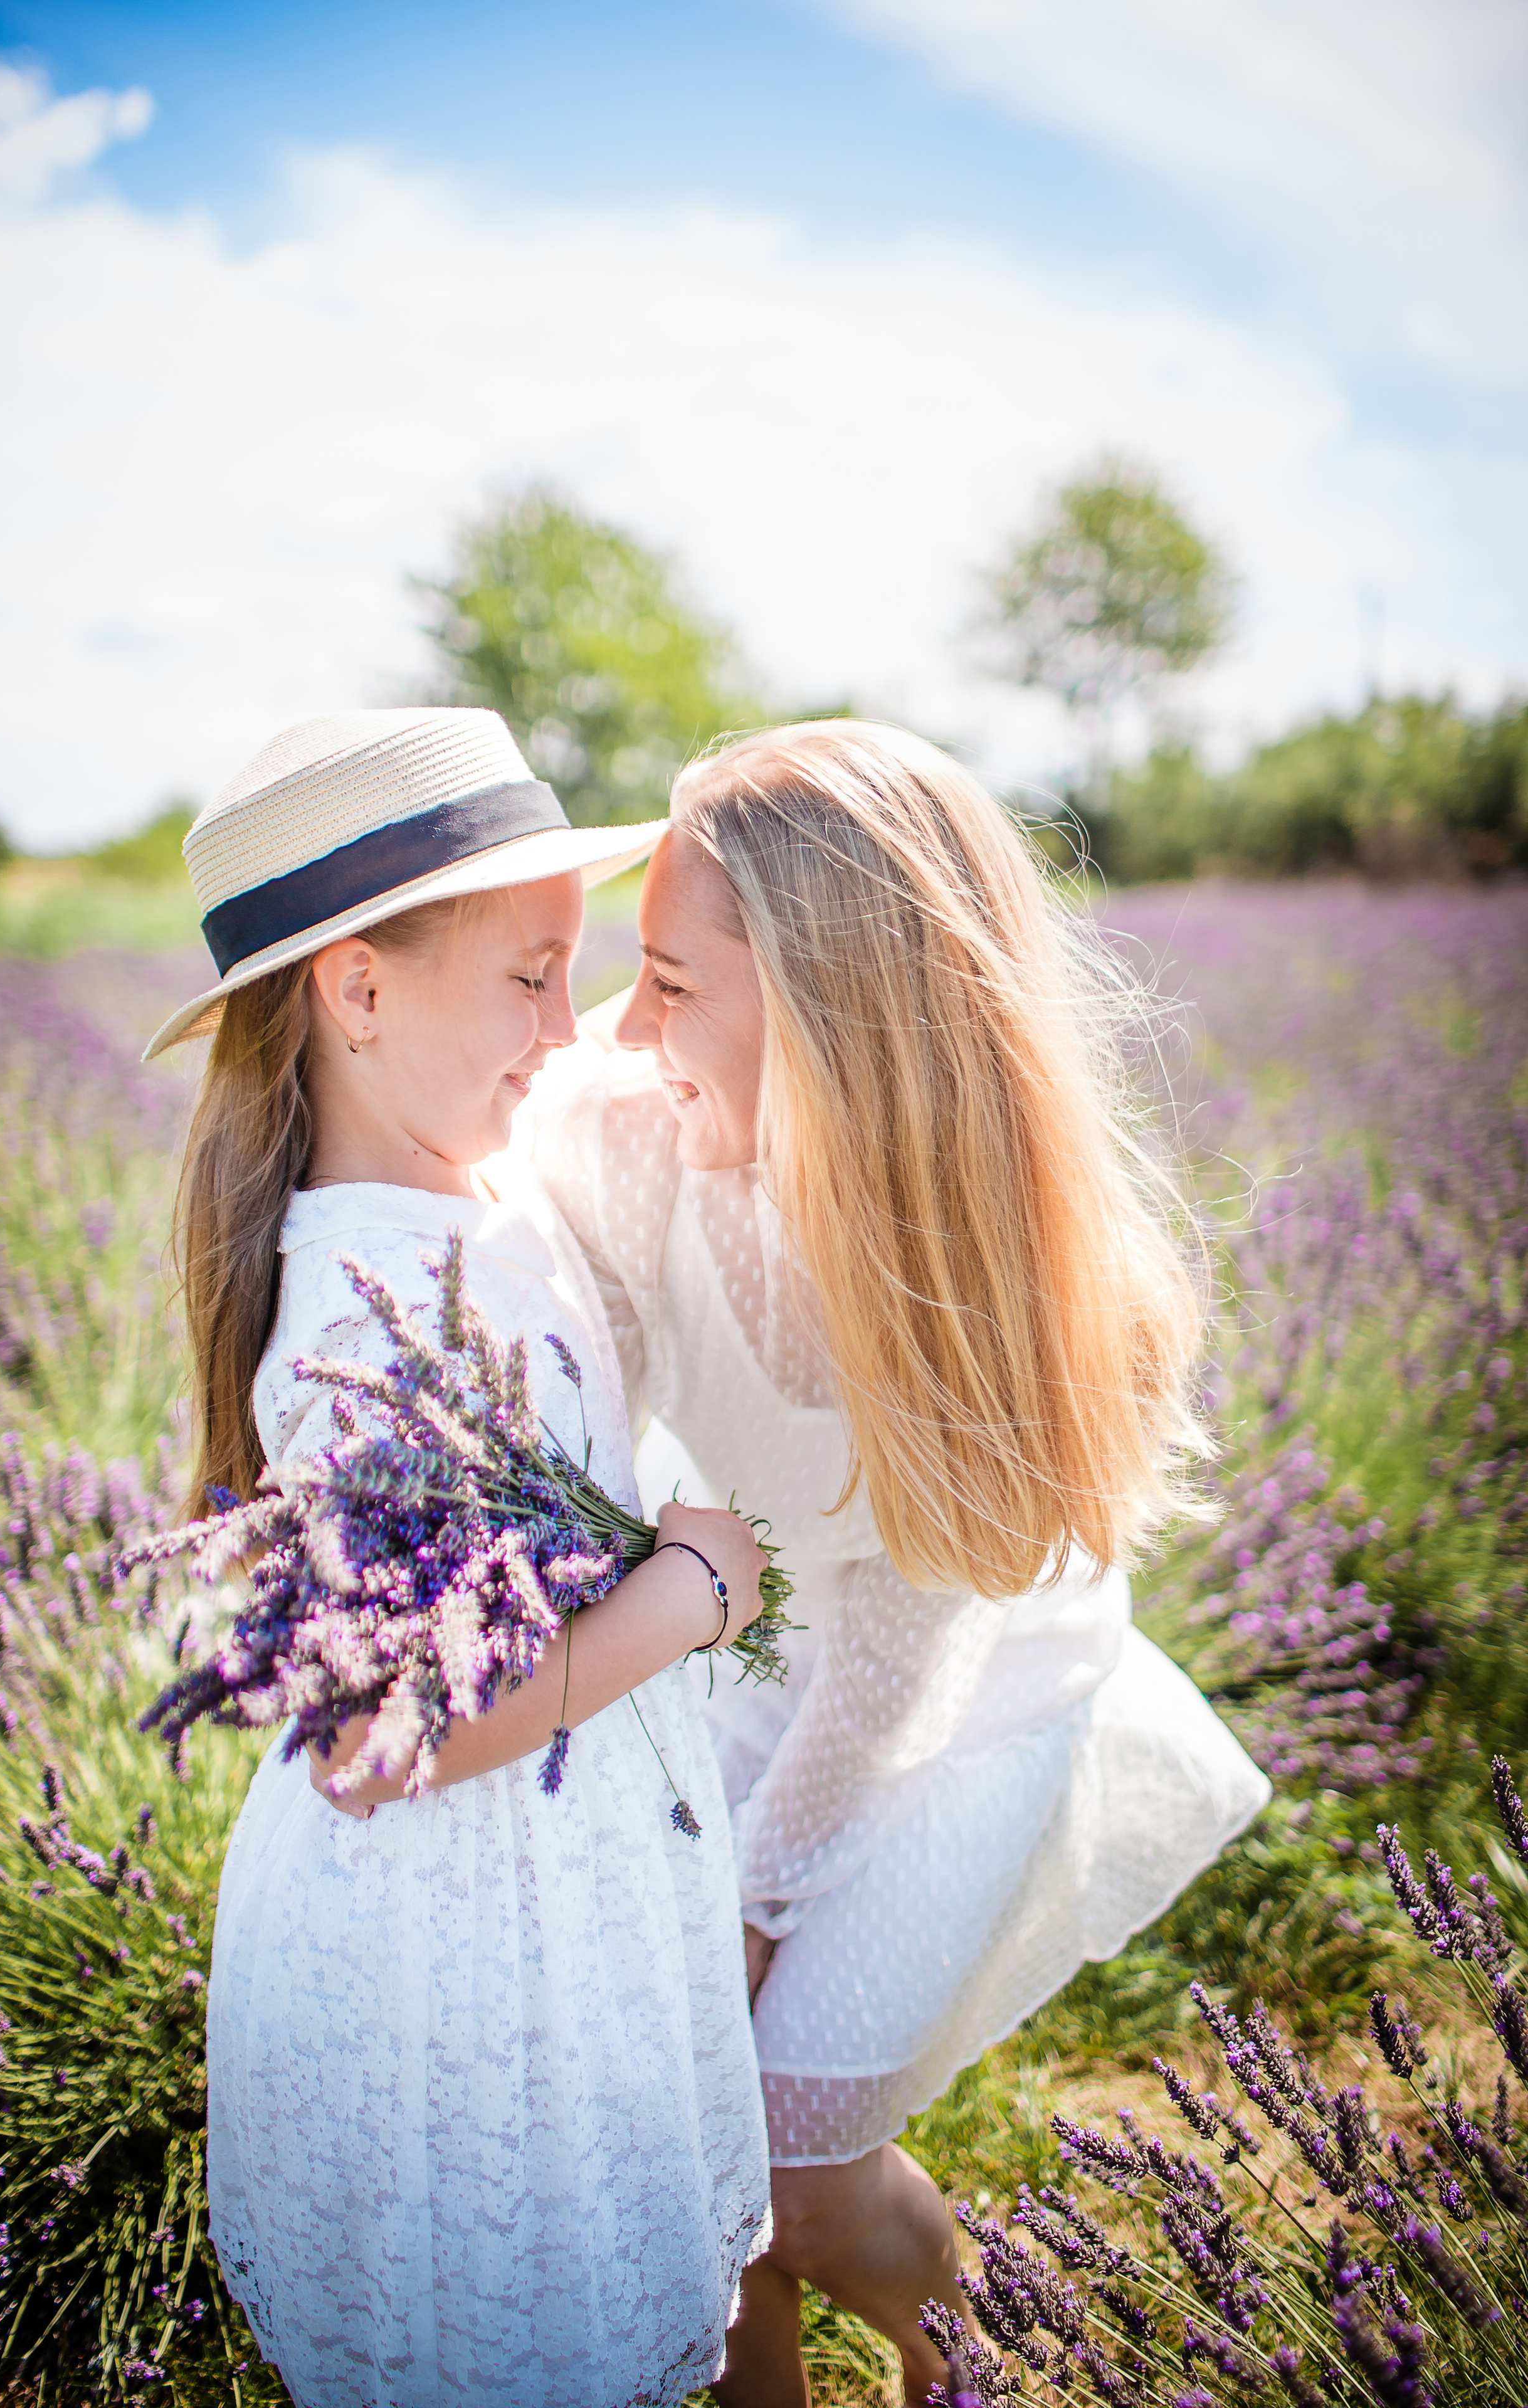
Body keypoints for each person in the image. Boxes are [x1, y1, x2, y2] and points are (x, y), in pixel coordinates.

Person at [527, 719, 1272, 2407]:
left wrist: (757, 1903)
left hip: (969, 1695)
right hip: (754, 1651)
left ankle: (979, 2355)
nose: (622, 1030)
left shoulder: (977, 1270)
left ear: (835, 1022)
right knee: (694, 2179)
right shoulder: (635, 1122)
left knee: (797, 2172)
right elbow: (491, 1208)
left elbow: (901, 1653)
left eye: (664, 983)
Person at [144, 708, 772, 2408]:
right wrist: (689, 1594)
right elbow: (378, 1739)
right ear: (356, 993)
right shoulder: (364, 1306)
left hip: (566, 1878)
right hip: (463, 1942)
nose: (567, 1034)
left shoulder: (481, 1203)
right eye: (529, 979)